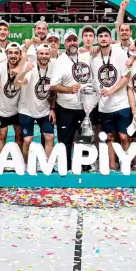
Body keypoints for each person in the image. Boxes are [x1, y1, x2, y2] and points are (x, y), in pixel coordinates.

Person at [90, 26, 132, 171]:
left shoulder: (120, 53)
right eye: (100, 36)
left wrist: (111, 91)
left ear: (110, 38)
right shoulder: (93, 58)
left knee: (124, 136)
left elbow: (126, 77)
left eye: (106, 36)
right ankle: (112, 168)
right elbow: (93, 80)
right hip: (104, 107)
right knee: (109, 137)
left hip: (122, 104)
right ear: (97, 39)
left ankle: (126, 167)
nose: (103, 38)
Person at [50, 30, 91, 171]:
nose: (72, 43)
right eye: (69, 40)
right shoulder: (59, 61)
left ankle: (85, 167)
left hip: (85, 108)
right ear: (65, 43)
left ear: (78, 42)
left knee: (85, 140)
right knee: (65, 141)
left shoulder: (85, 56)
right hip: (66, 108)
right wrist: (69, 89)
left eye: (74, 40)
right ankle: (66, 167)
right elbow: (53, 86)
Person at [15, 44, 56, 159]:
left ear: (50, 54)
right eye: (41, 53)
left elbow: (54, 91)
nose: (44, 56)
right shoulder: (30, 66)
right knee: (27, 140)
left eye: (46, 53)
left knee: (50, 137)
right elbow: (17, 84)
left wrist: (52, 109)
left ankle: (48, 165)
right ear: (37, 54)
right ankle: (26, 164)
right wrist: (24, 72)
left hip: (44, 110)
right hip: (26, 110)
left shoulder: (54, 67)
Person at [0, 42, 25, 156]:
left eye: (16, 53)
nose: (13, 55)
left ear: (20, 55)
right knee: (1, 135)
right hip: (1, 109)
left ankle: (19, 160)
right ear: (6, 54)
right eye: (10, 53)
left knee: (19, 135)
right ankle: (0, 161)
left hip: (18, 109)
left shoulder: (23, 67)